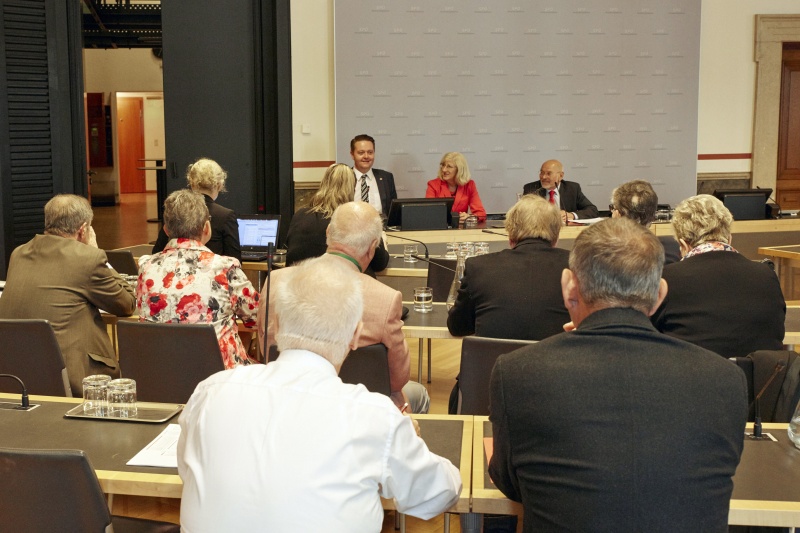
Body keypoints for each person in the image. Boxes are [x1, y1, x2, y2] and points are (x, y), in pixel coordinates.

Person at [489, 217, 748, 532]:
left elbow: (512, 483)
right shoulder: (726, 379)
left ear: (570, 287)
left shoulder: (519, 372)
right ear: (658, 295)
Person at [179, 255, 461, 532]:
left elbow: (187, 471)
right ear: (355, 336)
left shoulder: (209, 393)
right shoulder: (374, 417)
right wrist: (404, 438)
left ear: (275, 323)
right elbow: (439, 493)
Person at [261, 202, 429, 413]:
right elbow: (397, 380)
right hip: (364, 409)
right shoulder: (386, 299)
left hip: (285, 402)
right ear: (372, 247)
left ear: (328, 233)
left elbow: (265, 351)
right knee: (418, 394)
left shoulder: (275, 282)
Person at [0, 194, 135, 395]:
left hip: (16, 373)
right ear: (83, 230)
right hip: (74, 377)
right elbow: (127, 304)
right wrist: (95, 250)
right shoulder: (87, 257)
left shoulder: (18, 253)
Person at [136, 189, 259, 369]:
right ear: (206, 228)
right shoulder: (224, 268)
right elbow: (257, 317)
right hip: (218, 376)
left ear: (166, 230)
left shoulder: (146, 267)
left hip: (161, 373)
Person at [651, 194, 785, 357]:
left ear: (683, 244)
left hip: (695, 378)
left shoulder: (666, 279)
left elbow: (649, 336)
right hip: (764, 379)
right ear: (729, 238)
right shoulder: (767, 275)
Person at [447, 194, 569, 340]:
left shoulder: (479, 267)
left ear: (510, 235)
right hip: (557, 361)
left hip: (494, 361)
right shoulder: (576, 267)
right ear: (556, 238)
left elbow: (458, 327)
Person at [285, 163, 389, 277]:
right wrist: (382, 240)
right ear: (352, 188)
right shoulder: (355, 220)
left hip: (299, 287)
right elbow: (380, 264)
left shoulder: (300, 215)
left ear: (323, 184)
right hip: (343, 289)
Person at [152, 158, 241, 262]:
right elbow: (234, 260)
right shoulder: (226, 216)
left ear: (191, 183)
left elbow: (156, 253)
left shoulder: (174, 209)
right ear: (219, 185)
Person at [610, 179, 681, 264]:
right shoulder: (675, 247)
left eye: (613, 208)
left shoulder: (608, 254)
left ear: (618, 215)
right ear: (653, 215)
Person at [522, 159, 598, 223]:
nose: (543, 177)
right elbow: (523, 213)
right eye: (542, 173)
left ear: (561, 176)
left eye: (549, 173)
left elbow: (592, 210)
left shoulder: (572, 188)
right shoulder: (531, 188)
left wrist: (571, 215)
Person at [426, 152, 486, 223]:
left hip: (461, 231)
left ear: (459, 170)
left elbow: (481, 214)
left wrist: (470, 217)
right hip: (440, 229)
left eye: (449, 166)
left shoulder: (469, 185)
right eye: (443, 165)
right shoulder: (433, 185)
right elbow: (429, 213)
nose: (444, 170)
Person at [350, 133, 397, 218]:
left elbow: (393, 212)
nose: (366, 156)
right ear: (352, 154)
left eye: (370, 152)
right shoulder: (344, 177)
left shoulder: (386, 177)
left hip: (380, 228)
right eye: (361, 153)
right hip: (351, 228)